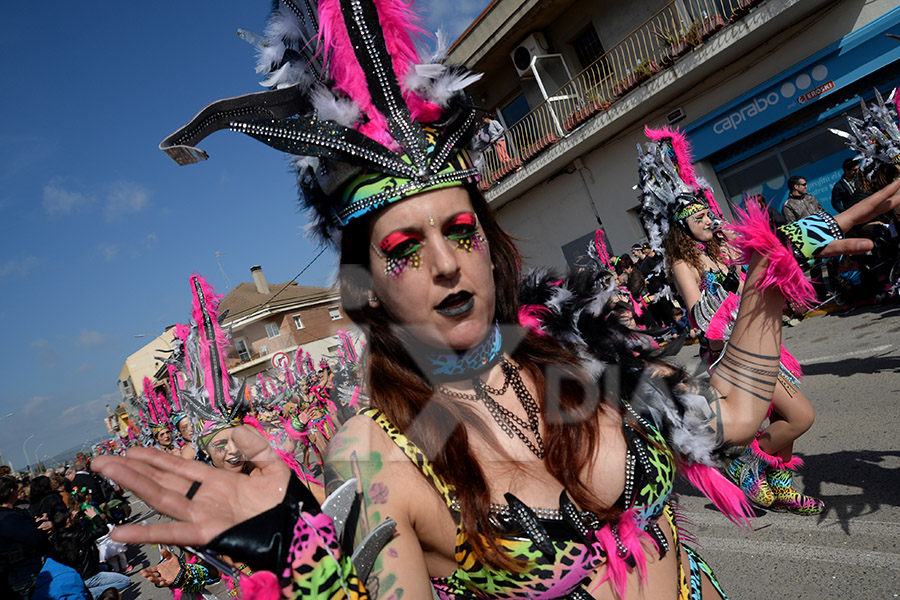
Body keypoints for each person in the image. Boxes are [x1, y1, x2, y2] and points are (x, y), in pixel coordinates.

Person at [93, 1, 900, 598]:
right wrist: (303, 557)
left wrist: (767, 281)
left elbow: (728, 414)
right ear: (368, 288)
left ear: (490, 243)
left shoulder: (571, 359)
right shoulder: (378, 455)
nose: (446, 263)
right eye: (406, 248)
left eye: (460, 230)